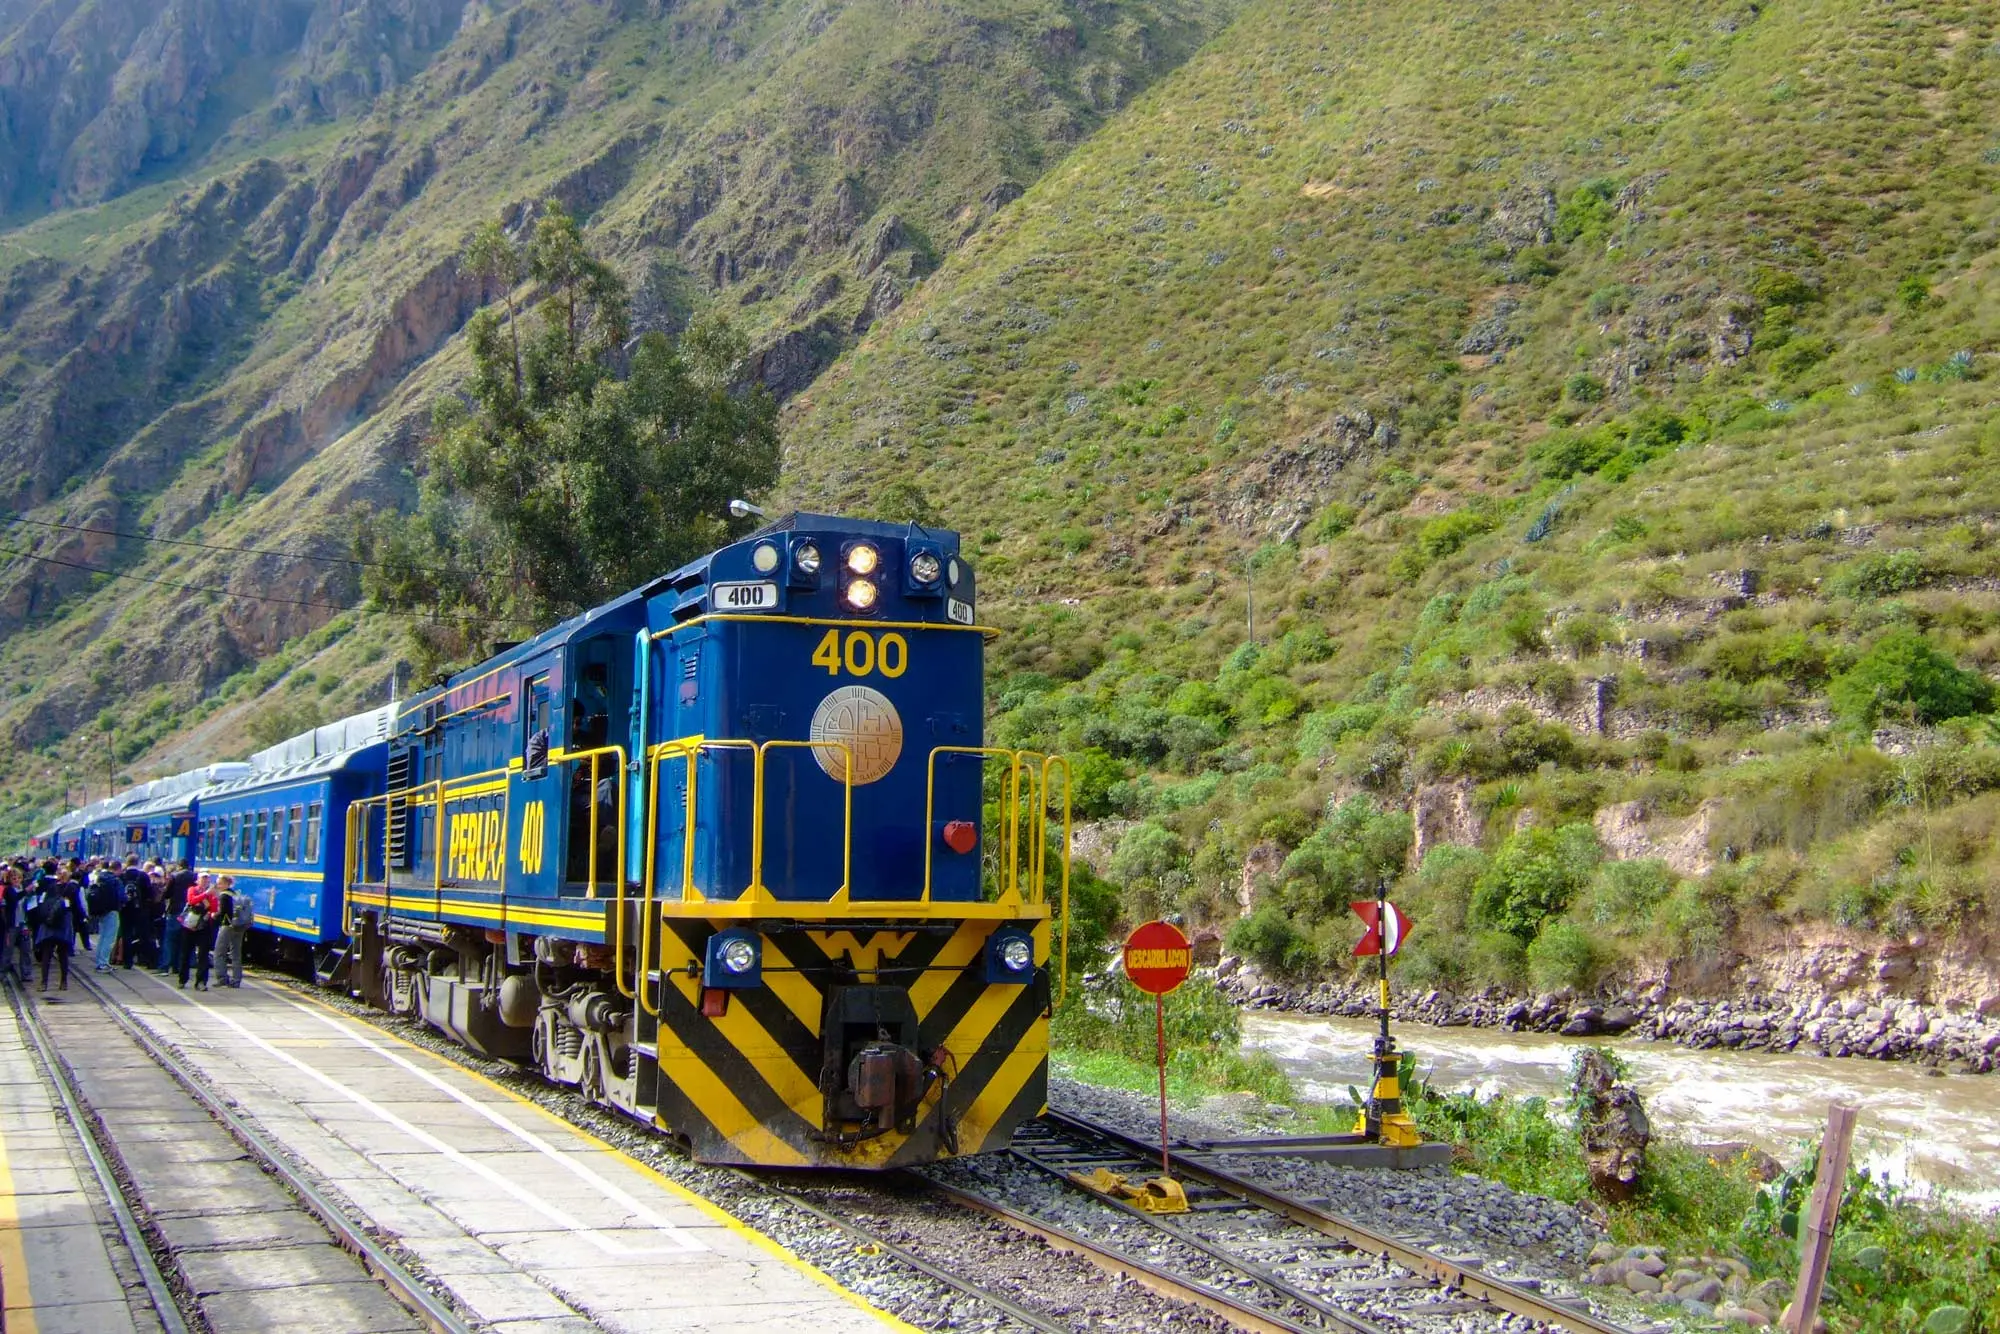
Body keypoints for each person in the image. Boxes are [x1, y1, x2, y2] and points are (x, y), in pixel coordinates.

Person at [28, 870, 89, 992]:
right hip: (64, 923)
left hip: (49, 923)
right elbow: (76, 906)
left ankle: (44, 982)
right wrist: (84, 916)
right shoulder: (72, 888)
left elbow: (42, 903)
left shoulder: (50, 887)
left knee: (47, 954)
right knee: (63, 954)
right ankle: (63, 982)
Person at [176, 875, 220, 991]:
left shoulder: (212, 893)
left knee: (203, 955)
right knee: (185, 953)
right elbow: (191, 900)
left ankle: (201, 981)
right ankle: (182, 980)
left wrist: (213, 897)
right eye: (203, 878)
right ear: (197, 880)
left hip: (204, 926)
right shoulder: (192, 889)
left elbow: (214, 909)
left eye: (207, 879)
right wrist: (205, 895)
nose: (205, 881)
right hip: (189, 926)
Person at [214, 876, 252, 988]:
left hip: (227, 926)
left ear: (226, 884)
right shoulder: (235, 894)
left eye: (220, 884)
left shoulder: (223, 896)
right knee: (236, 953)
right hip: (239, 926)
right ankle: (236, 980)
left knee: (219, 953)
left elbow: (223, 912)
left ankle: (222, 978)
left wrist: (213, 915)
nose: (218, 886)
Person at [86, 866, 122, 973]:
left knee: (102, 937)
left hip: (101, 911)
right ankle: (103, 963)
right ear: (117, 869)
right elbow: (121, 896)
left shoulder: (99, 878)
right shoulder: (115, 880)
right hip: (112, 910)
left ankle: (99, 961)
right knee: (109, 938)